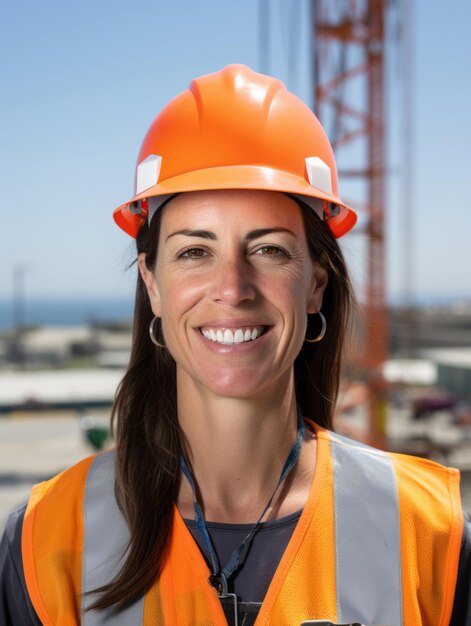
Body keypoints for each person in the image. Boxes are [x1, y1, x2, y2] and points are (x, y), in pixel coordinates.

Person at [0, 64, 469, 626]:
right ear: (152, 283)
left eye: (269, 250)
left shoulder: (427, 533)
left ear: (316, 283)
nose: (232, 288)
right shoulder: (49, 535)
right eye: (195, 252)